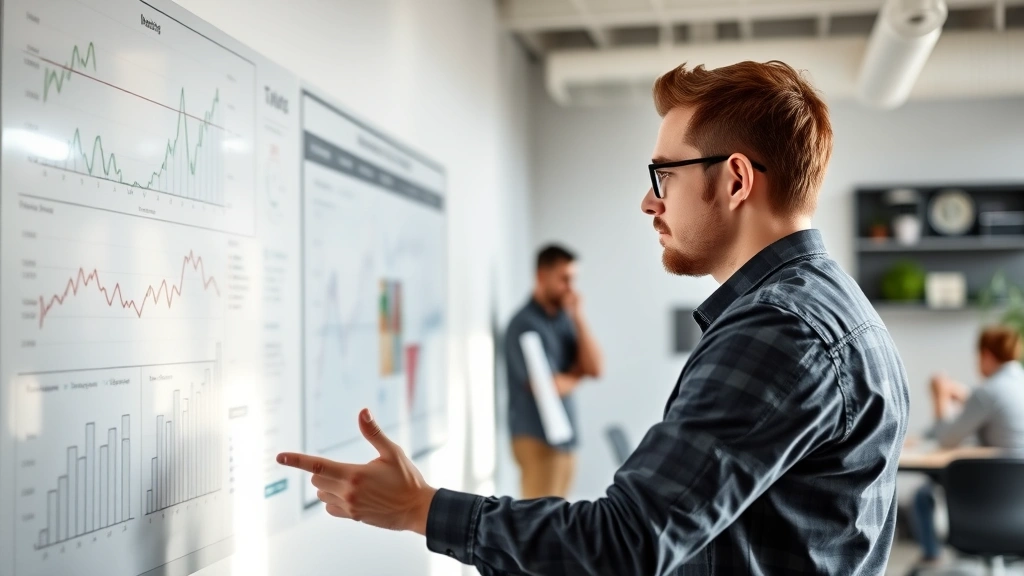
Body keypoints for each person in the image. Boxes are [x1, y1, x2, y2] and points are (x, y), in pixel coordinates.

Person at [277, 60, 910, 575]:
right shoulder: (837, 310)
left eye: (663, 175)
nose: (649, 202)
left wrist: (419, 508)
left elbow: (623, 545)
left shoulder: (780, 331)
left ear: (737, 180)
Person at [910, 326, 1024, 568]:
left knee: (923, 495)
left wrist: (940, 397)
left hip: (991, 496)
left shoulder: (988, 391)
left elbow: (946, 439)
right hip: (1018, 502)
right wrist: (965, 396)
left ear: (986, 356)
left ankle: (932, 558)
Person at [504, 244, 603, 499]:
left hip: (564, 438)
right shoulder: (524, 324)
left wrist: (578, 316)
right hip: (536, 438)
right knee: (537, 518)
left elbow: (595, 368)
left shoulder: (564, 320)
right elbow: (548, 387)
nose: (571, 287)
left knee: (558, 517)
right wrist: (578, 374)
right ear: (541, 276)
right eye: (564, 279)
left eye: (573, 279)